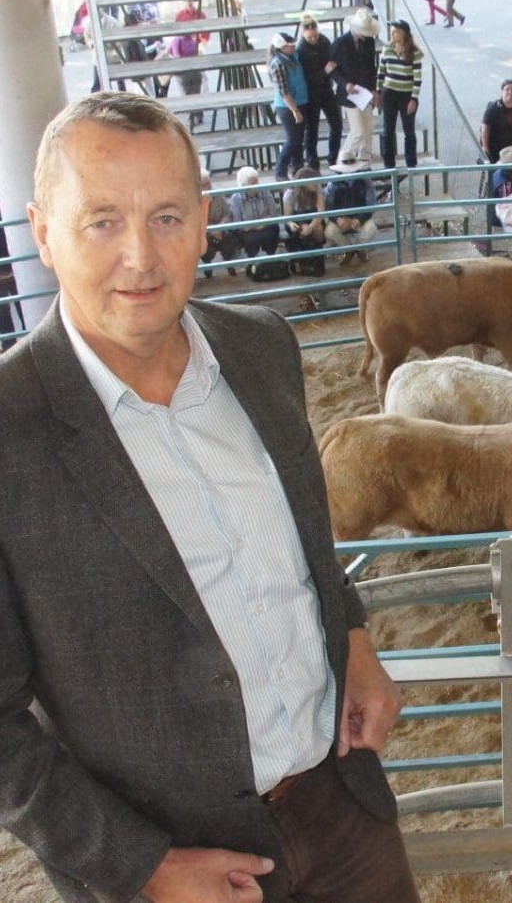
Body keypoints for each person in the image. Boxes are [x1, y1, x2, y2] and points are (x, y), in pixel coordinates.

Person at [5, 91, 419, 903]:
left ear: (203, 219)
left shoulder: (261, 349)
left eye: (165, 216)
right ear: (42, 231)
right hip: (176, 865)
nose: (140, 257)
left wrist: (355, 635)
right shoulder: (9, 430)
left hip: (341, 803)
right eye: (100, 221)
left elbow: (304, 546)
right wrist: (141, 867)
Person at [329, 7, 380, 167]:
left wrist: (374, 89)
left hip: (365, 91)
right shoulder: (340, 43)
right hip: (349, 95)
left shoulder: (368, 41)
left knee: (369, 129)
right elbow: (332, 69)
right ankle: (343, 161)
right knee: (358, 131)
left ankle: (365, 162)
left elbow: (372, 67)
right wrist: (345, 84)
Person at [296, 13, 342, 169]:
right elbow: (305, 77)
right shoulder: (301, 49)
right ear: (303, 35)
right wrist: (324, 71)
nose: (314, 39)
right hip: (311, 93)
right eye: (310, 38)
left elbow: (332, 58)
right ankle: (312, 161)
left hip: (326, 89)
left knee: (336, 124)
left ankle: (333, 156)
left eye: (315, 35)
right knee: (312, 129)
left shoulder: (323, 41)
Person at [376, 20, 423, 170]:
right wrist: (378, 92)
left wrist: (413, 99)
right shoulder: (387, 49)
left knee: (408, 131)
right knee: (388, 130)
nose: (392, 33)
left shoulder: (414, 53)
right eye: (392, 30)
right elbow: (381, 71)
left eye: (396, 30)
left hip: (406, 95)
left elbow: (417, 78)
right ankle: (389, 163)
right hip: (389, 93)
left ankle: (411, 163)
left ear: (404, 34)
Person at [267, 31, 310, 182]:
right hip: (288, 107)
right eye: (289, 45)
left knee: (298, 139)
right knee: (293, 139)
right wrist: (295, 110)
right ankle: (280, 170)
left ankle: (298, 169)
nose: (293, 47)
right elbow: (284, 92)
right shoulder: (277, 64)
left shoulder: (293, 57)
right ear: (281, 48)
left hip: (300, 101)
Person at [323, 160, 378, 265]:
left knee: (371, 228)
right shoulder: (333, 183)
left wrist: (359, 219)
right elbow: (329, 207)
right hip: (341, 219)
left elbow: (371, 205)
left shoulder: (365, 181)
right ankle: (356, 249)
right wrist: (338, 219)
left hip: (359, 218)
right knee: (329, 231)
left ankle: (352, 249)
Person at [228, 165, 281, 268]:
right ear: (244, 185)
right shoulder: (236, 198)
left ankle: (271, 262)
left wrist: (262, 224)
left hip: (265, 226)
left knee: (273, 232)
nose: (256, 185)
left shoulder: (265, 191)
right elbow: (237, 223)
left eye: (257, 181)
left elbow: (274, 214)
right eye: (253, 183)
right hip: (248, 230)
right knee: (251, 239)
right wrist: (253, 226)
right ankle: (253, 265)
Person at [283, 166, 327, 277]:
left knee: (318, 230)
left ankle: (316, 261)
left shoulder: (317, 189)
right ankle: (301, 262)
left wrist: (311, 226)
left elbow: (320, 211)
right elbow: (287, 217)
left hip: (313, 219)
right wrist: (294, 225)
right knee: (297, 231)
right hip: (297, 221)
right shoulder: (290, 193)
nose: (315, 183)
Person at [480, 79, 512, 164]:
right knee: (497, 173)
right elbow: (485, 128)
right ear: (502, 91)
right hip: (496, 150)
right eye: (507, 89)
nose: (510, 92)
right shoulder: (493, 108)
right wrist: (485, 147)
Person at [200, 170, 239, 278]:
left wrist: (221, 227)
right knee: (204, 246)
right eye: (204, 185)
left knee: (229, 240)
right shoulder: (193, 200)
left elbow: (227, 213)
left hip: (220, 228)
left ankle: (229, 264)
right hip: (204, 231)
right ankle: (208, 267)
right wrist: (210, 231)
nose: (208, 187)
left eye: (208, 183)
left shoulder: (218, 195)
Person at [0, 209, 25, 352]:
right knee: (3, 314)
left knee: (24, 308)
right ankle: (10, 351)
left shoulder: (6, 206)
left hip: (16, 269)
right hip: (13, 268)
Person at [167, 30, 204, 126]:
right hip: (195, 71)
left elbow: (176, 55)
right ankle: (199, 115)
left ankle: (192, 116)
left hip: (184, 73)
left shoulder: (177, 40)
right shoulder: (193, 41)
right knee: (196, 93)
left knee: (187, 94)